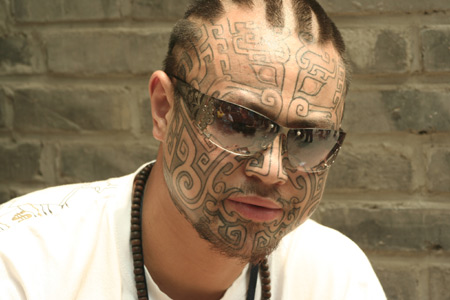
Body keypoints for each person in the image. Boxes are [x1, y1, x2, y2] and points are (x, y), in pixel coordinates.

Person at [0, 0, 387, 299]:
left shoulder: (335, 277)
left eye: (309, 138)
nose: (272, 169)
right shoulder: (24, 263)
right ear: (164, 109)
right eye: (239, 121)